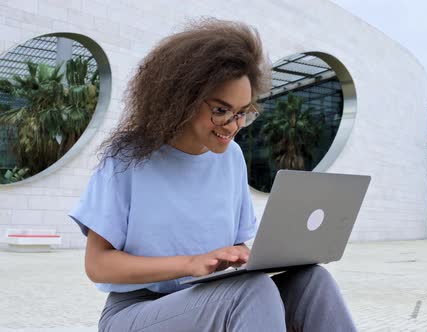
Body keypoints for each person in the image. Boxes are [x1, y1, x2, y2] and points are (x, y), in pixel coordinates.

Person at [69, 18, 357, 332]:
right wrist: (190, 264)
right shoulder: (126, 158)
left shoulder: (232, 158)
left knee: (311, 281)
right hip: (136, 311)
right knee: (251, 293)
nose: (233, 126)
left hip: (211, 298)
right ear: (180, 100)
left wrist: (259, 256)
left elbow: (236, 246)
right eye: (220, 110)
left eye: (242, 112)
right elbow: (97, 266)